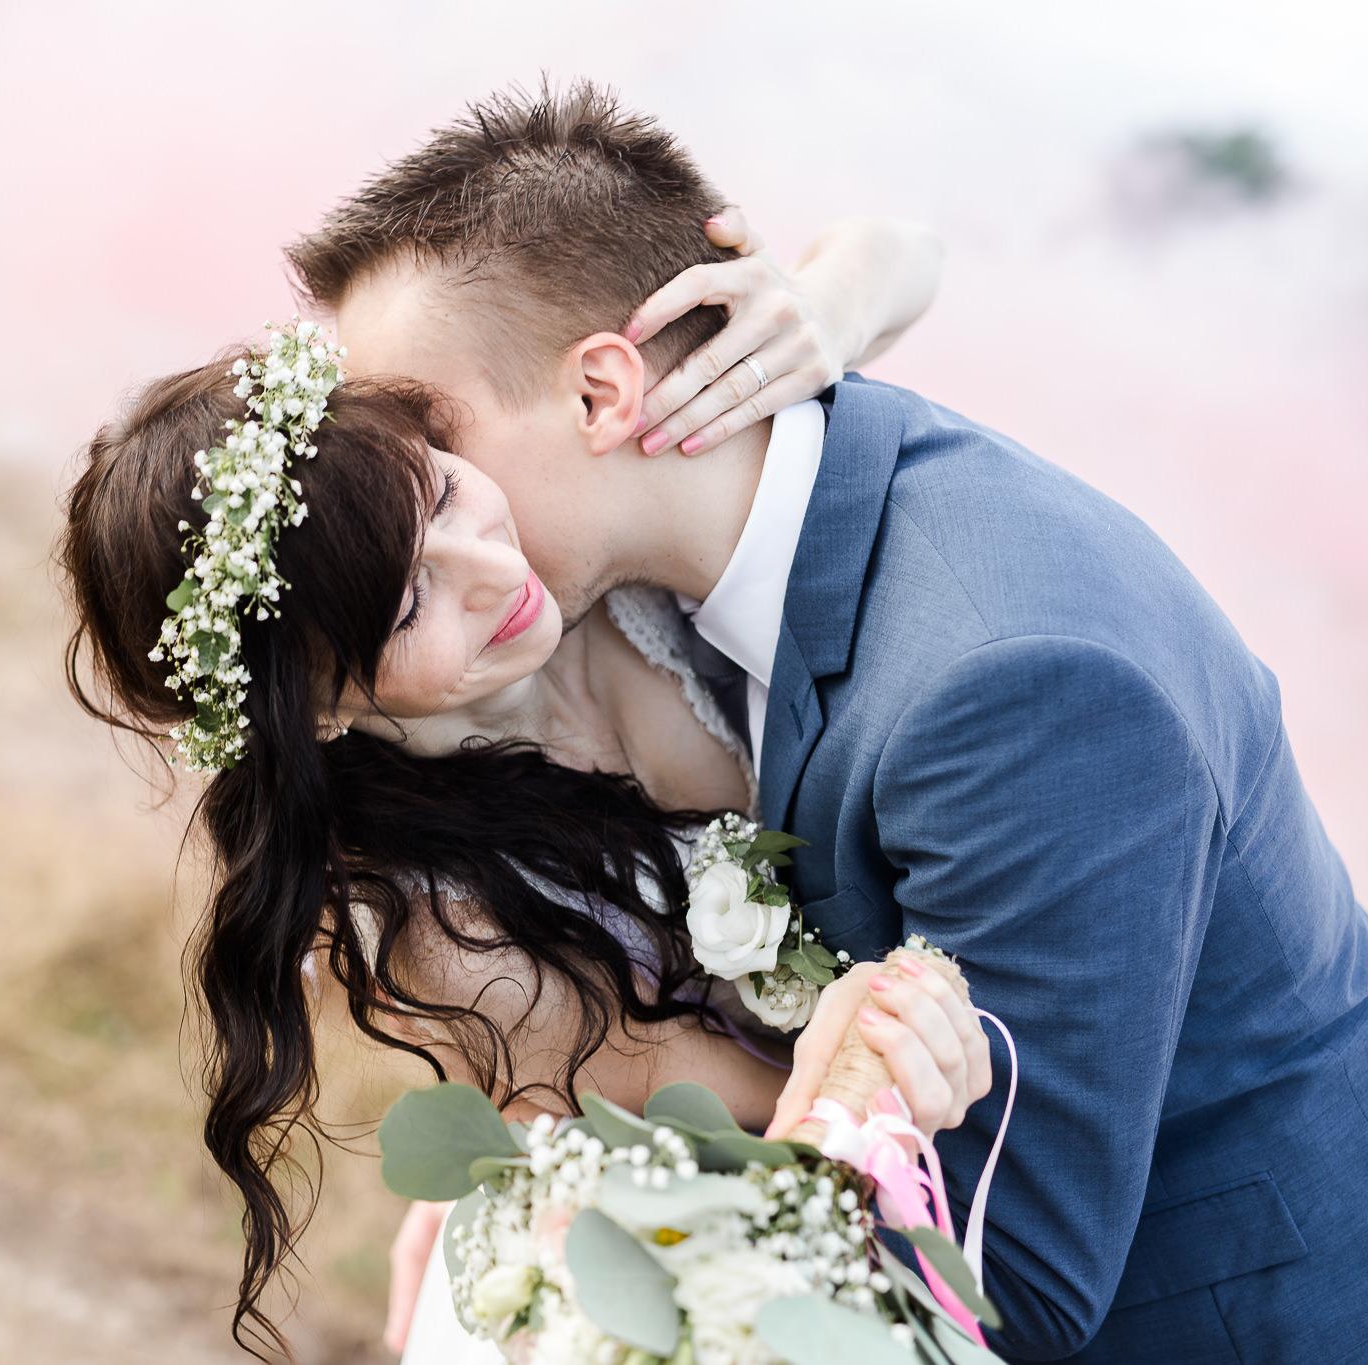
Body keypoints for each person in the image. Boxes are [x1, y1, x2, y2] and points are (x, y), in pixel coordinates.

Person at [282, 80, 1368, 1363]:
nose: (385, 494)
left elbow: (1012, 1284)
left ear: (605, 395)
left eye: (422, 436)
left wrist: (813, 1114)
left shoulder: (1014, 688)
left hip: (1218, 1307)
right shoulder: (672, 556)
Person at [57, 208, 987, 1359]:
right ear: (320, 708)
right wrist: (870, 1037)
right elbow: (746, 1126)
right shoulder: (439, 929)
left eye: (442, 495)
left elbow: (908, 246)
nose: (496, 574)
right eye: (409, 605)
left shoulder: (568, 535)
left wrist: (818, 310)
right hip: (690, 1275)